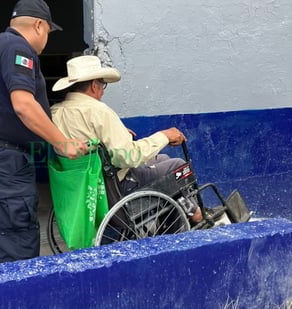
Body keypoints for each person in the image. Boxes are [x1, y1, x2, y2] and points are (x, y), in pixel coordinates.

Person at [0, 0, 88, 265]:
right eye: (48, 32)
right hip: (5, 160)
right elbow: (23, 104)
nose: (46, 40)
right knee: (19, 244)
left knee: (2, 237)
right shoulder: (18, 49)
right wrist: (62, 143)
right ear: (38, 25)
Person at [51, 55, 203, 223]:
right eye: (103, 86)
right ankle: (195, 214)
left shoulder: (56, 111)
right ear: (94, 85)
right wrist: (164, 136)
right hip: (116, 188)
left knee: (163, 159)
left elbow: (88, 140)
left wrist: (121, 134)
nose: (102, 92)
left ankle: (185, 212)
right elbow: (128, 157)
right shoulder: (98, 111)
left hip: (84, 183)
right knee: (177, 165)